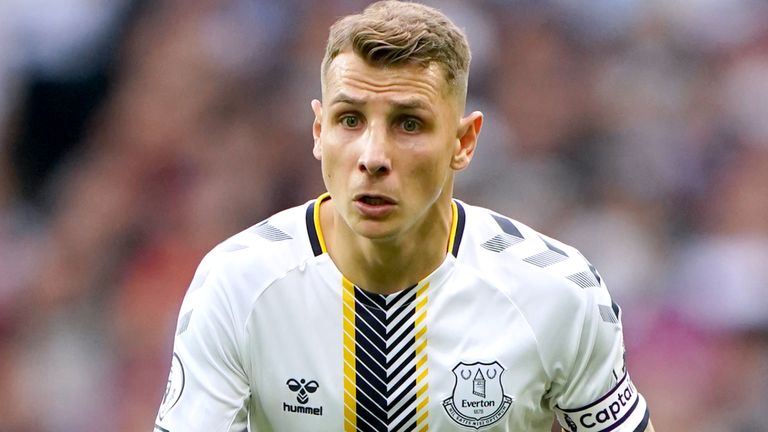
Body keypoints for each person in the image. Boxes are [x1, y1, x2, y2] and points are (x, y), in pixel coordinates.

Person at [153, 1, 655, 431]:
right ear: (317, 131)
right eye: (349, 120)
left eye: (408, 123)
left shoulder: (557, 290)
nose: (373, 155)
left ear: (464, 142)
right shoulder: (238, 284)